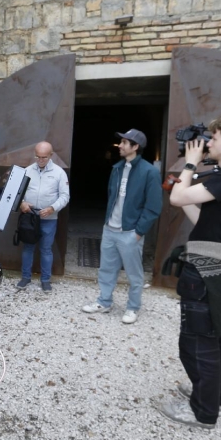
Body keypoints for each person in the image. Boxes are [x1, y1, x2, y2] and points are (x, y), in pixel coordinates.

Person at [158, 113, 221, 429]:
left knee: (197, 341)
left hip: (206, 269)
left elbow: (177, 199)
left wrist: (190, 164)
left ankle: (203, 412)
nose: (208, 144)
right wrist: (182, 188)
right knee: (216, 335)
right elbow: (201, 216)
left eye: (214, 138)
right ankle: (212, 396)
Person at [82, 129, 162, 324]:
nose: (121, 146)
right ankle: (104, 301)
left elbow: (153, 207)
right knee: (106, 269)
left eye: (125, 143)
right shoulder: (117, 168)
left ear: (135, 147)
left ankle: (133, 307)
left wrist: (138, 232)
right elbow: (112, 198)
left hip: (130, 232)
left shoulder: (149, 172)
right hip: (110, 229)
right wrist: (108, 222)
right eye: (122, 142)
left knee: (134, 274)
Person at [15, 141, 70, 292]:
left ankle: (45, 280)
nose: (40, 160)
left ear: (51, 156)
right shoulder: (27, 171)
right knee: (28, 247)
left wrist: (53, 208)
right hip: (30, 217)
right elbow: (16, 193)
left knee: (46, 249)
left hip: (49, 218)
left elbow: (65, 196)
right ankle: (25, 277)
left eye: (44, 157)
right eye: (37, 156)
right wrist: (22, 204)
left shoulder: (59, 173)